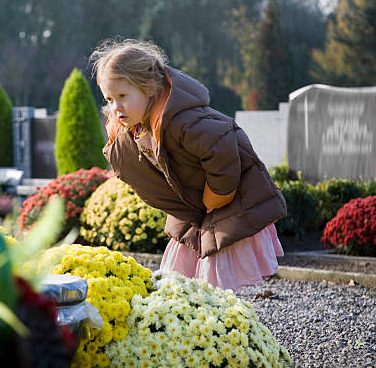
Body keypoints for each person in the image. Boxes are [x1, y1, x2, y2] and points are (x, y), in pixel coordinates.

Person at [91, 38, 287, 291]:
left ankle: (227, 324)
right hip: (195, 209)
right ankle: (201, 319)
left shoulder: (184, 120)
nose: (116, 107)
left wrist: (217, 195)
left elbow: (222, 145)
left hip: (230, 201)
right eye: (109, 99)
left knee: (216, 281)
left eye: (123, 96)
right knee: (182, 273)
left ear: (149, 88)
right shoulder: (138, 128)